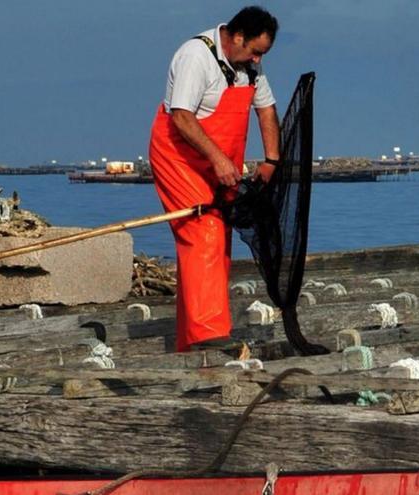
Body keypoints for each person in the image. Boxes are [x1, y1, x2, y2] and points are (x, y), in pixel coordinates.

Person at [148, 6, 281, 352]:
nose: (257, 60)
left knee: (217, 242)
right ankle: (210, 339)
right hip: (178, 157)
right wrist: (218, 159)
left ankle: (189, 338)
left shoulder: (249, 66)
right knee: (202, 232)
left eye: (261, 55)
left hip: (217, 162)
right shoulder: (196, 56)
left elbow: (265, 109)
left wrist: (271, 160)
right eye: (255, 51)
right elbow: (181, 117)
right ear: (237, 37)